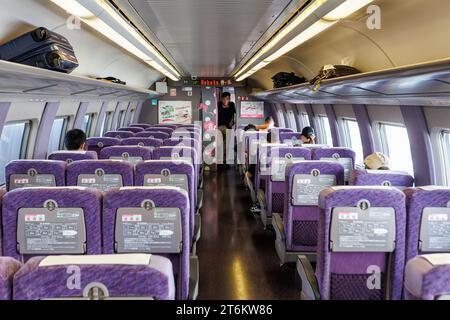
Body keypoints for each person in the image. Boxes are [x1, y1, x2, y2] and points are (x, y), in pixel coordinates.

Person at [218, 92, 236, 166]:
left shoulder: (232, 104)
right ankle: (219, 161)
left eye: (227, 99)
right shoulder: (218, 104)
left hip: (228, 127)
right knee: (219, 144)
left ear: (229, 99)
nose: (225, 101)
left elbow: (234, 115)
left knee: (228, 145)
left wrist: (232, 122)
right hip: (219, 127)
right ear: (221, 99)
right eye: (224, 99)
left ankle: (225, 161)